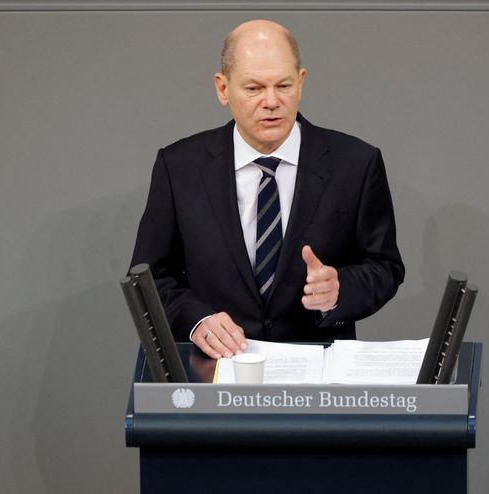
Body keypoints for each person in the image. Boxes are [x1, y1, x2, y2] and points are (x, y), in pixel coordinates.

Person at [130, 20, 404, 360]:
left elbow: (385, 267)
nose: (272, 101)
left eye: (283, 85)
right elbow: (149, 278)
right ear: (222, 88)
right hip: (216, 370)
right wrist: (196, 321)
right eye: (254, 88)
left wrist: (339, 290)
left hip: (318, 373)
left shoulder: (356, 163)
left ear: (301, 83)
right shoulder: (179, 167)